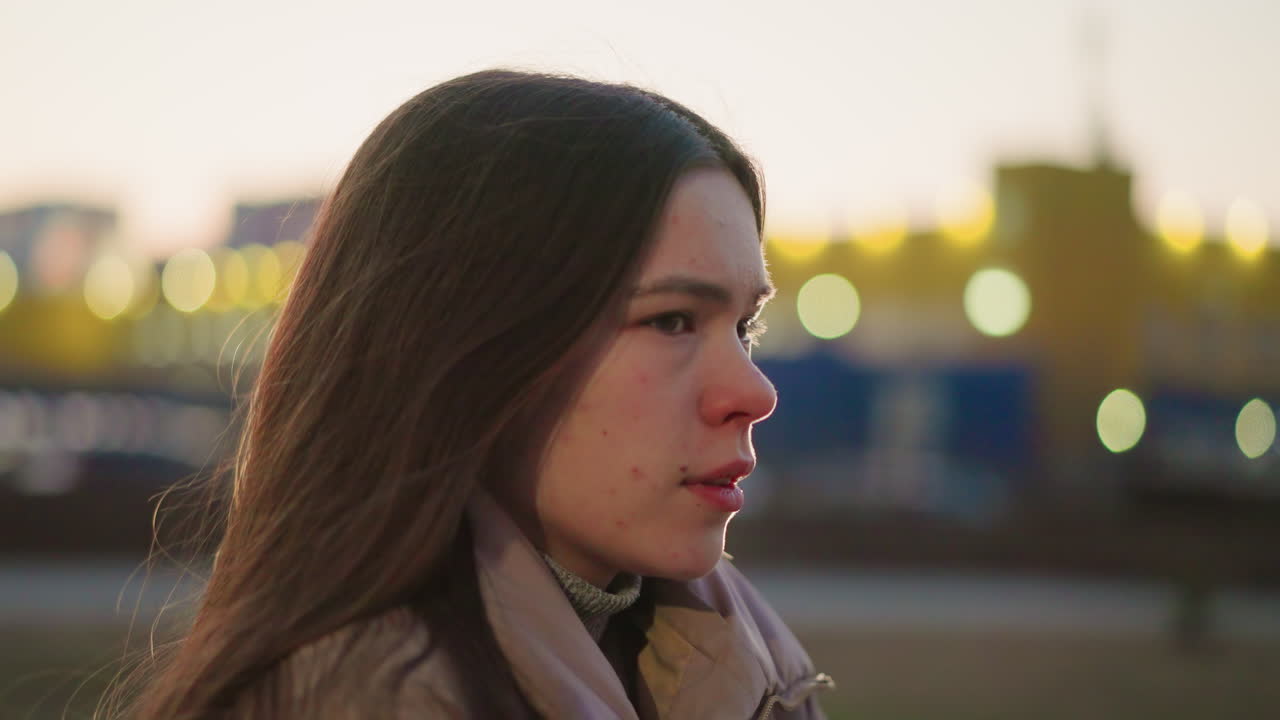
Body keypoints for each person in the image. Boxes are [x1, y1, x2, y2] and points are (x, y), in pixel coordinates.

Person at [124, 69, 834, 719]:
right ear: (469, 349)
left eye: (747, 325)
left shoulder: (742, 668)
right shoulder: (364, 701)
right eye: (671, 320)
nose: (753, 390)